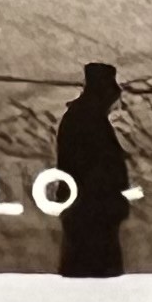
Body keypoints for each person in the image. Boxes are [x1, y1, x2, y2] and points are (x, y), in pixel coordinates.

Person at [55, 63, 131, 278]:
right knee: (93, 262)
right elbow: (94, 167)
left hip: (88, 207)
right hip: (92, 209)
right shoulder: (87, 121)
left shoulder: (83, 116)